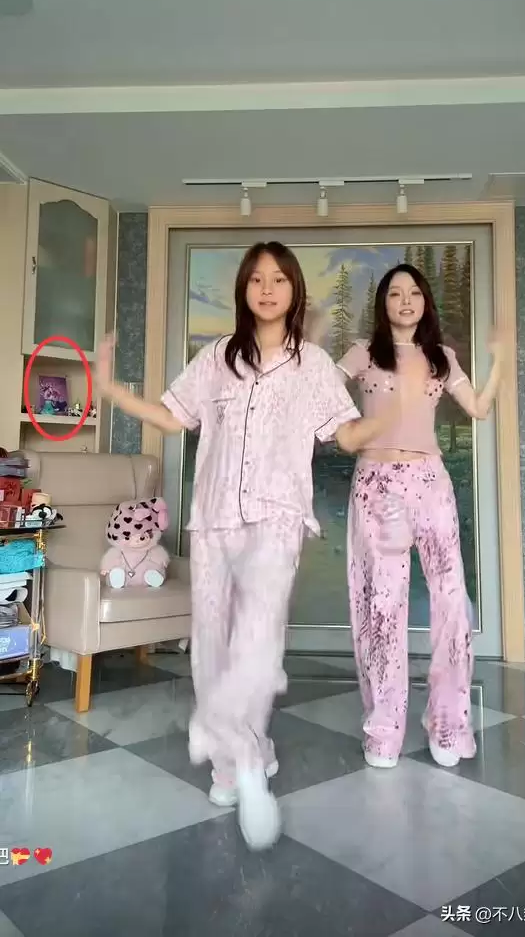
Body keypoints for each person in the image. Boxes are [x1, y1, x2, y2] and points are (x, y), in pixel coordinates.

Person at [94, 241, 401, 851]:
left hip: (276, 517)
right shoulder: (216, 358)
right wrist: (109, 388)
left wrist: (394, 413)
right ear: (243, 289)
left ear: (294, 290)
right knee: (212, 643)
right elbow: (172, 416)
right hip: (213, 520)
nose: (266, 288)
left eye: (278, 279)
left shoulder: (313, 364)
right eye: (256, 279)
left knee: (257, 642)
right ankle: (235, 761)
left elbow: (343, 434)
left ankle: (235, 745)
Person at [336, 264, 503, 769]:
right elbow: (323, 395)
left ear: (425, 302)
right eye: (395, 293)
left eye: (414, 292)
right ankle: (383, 727)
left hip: (430, 484)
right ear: (383, 303)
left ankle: (448, 722)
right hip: (376, 486)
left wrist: (499, 361)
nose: (405, 300)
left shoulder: (441, 357)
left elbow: (478, 408)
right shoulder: (362, 353)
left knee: (451, 601)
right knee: (381, 608)